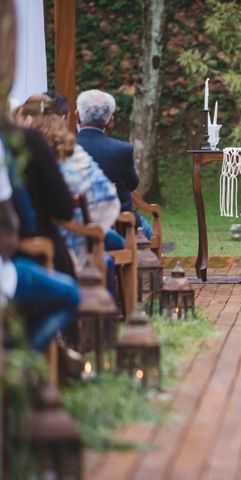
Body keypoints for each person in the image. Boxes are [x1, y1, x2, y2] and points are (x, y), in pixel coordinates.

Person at [14, 94, 121, 265]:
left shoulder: (15, 153)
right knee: (111, 241)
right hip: (60, 243)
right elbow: (105, 198)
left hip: (21, 240)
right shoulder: (71, 153)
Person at [1, 137, 79, 352]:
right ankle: (21, 363)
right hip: (13, 267)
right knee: (69, 294)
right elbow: (22, 221)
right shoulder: (17, 144)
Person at [75, 89, 152, 239]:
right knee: (148, 231)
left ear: (77, 116)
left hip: (76, 227)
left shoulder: (63, 148)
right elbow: (132, 184)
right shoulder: (122, 150)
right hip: (118, 227)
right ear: (110, 120)